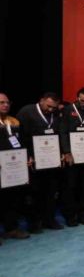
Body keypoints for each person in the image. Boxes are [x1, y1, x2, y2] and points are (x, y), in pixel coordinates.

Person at [17, 92, 64, 231]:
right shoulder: (27, 112)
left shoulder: (56, 114)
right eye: (48, 106)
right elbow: (19, 136)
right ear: (41, 100)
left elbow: (59, 134)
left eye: (54, 107)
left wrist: (62, 153)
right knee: (34, 193)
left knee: (51, 191)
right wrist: (26, 155)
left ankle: (49, 220)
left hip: (52, 160)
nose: (51, 109)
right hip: (33, 161)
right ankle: (34, 223)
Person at [59, 87, 84, 226]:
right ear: (77, 98)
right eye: (82, 101)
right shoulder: (67, 110)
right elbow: (63, 132)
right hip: (72, 157)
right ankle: (70, 217)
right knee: (71, 187)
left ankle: (83, 215)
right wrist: (66, 152)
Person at [0, 92, 31, 241]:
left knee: (12, 198)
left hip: (12, 167)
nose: (6, 105)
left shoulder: (14, 122)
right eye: (2, 102)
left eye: (7, 102)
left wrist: (26, 157)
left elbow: (22, 142)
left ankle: (11, 228)